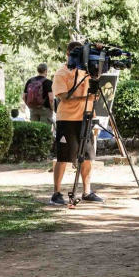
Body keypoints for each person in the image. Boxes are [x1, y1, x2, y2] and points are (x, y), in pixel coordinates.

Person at [49, 41, 104, 206]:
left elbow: (101, 70)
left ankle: (87, 191)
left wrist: (98, 52)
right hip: (67, 119)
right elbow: (64, 96)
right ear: (68, 54)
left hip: (85, 118)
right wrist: (85, 98)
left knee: (87, 157)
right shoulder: (61, 73)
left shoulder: (86, 70)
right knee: (63, 157)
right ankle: (56, 193)